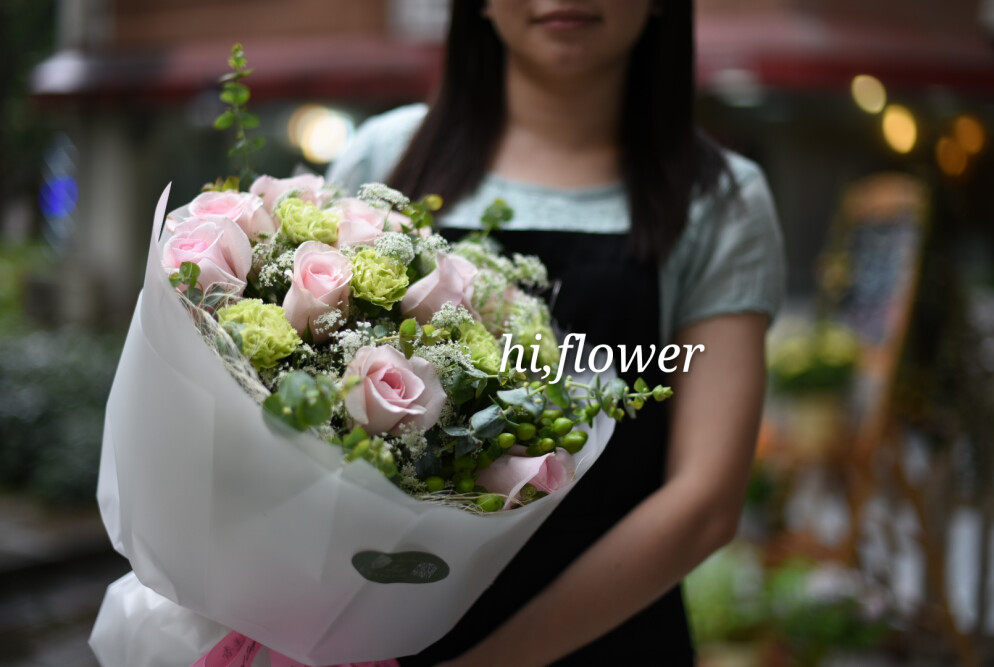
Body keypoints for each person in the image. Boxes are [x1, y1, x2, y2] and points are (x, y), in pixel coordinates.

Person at [328, 1, 785, 664]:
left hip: (612, 641)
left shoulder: (720, 199)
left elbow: (705, 502)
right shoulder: (383, 158)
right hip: (376, 641)